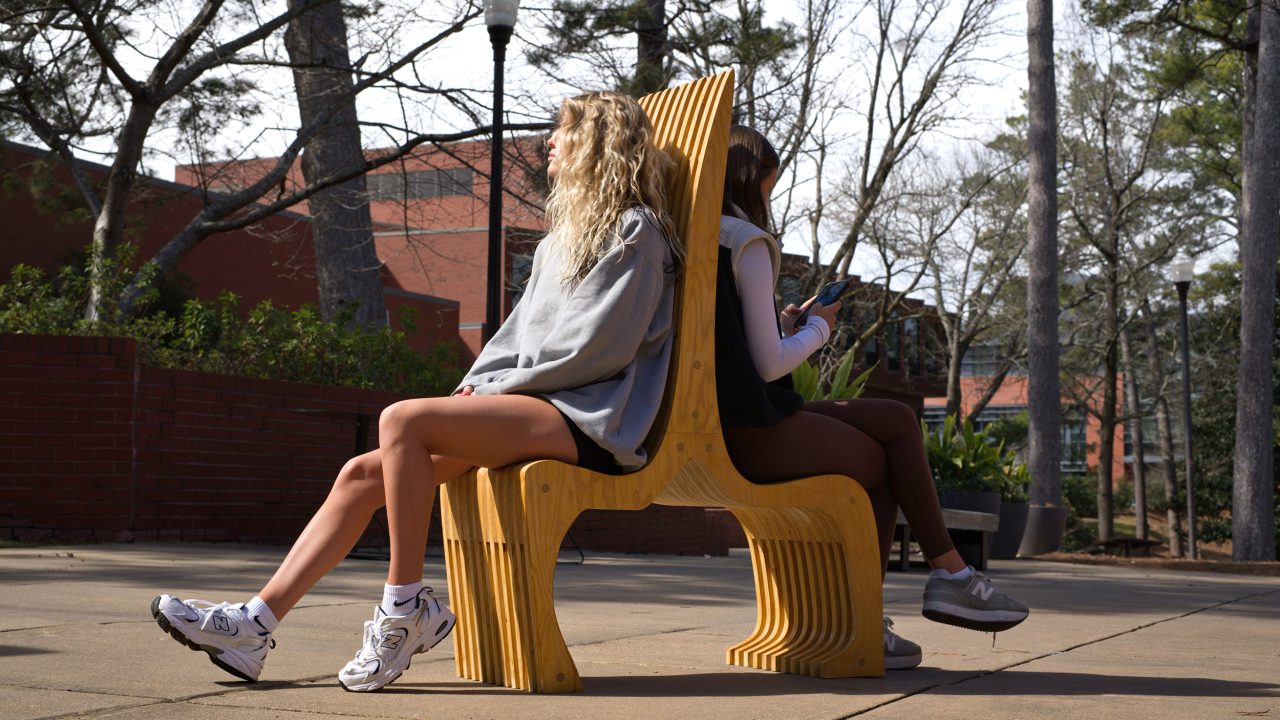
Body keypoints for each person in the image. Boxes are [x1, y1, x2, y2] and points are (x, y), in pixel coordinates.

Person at [150, 91, 683, 692]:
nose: (550, 143)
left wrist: (496, 391)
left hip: (589, 416)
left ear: (596, 143)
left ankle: (405, 608)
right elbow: (512, 335)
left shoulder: (636, 232)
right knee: (359, 473)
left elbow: (599, 350)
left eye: (563, 131)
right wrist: (476, 384)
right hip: (531, 406)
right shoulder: (561, 238)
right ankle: (254, 624)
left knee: (402, 419)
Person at [715, 125, 1028, 671]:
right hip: (748, 426)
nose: (771, 196)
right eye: (770, 184)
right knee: (884, 461)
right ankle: (888, 607)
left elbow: (730, 341)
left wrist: (784, 321)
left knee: (894, 417)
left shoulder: (699, 238)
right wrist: (817, 332)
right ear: (751, 180)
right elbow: (768, 365)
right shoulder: (748, 243)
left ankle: (947, 574)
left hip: (718, 416)